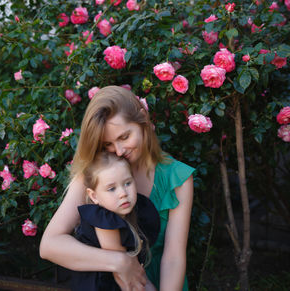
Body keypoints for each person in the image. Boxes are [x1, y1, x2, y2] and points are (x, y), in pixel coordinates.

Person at [40, 85, 195, 291]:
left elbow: (173, 257)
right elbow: (49, 245)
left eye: (124, 137)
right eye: (108, 145)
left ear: (143, 120)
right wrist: (119, 262)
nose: (119, 151)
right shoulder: (96, 174)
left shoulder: (177, 178)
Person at [71, 151, 158, 291]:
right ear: (94, 196)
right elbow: (123, 275)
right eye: (112, 189)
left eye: (127, 183)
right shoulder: (103, 221)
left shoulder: (135, 212)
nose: (123, 193)